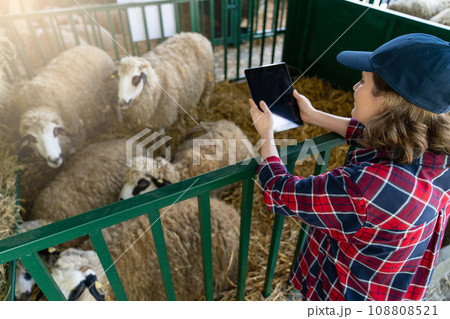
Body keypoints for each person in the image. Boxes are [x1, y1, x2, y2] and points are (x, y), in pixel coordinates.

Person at [249, 33, 450, 301]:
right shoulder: (439, 154)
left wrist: (266, 134)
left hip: (343, 293)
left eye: (362, 81)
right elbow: (379, 139)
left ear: (388, 102)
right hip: (392, 288)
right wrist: (313, 115)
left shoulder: (365, 187)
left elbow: (278, 191)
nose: (355, 87)